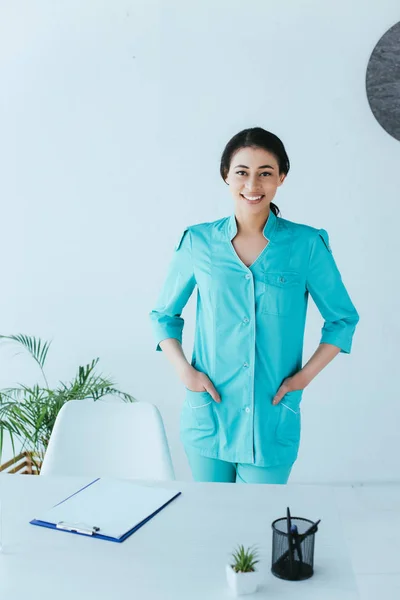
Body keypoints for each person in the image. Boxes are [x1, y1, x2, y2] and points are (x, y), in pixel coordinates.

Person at [149, 127, 359, 484]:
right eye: (242, 173)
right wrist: (186, 372)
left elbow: (342, 319)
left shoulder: (306, 245)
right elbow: (164, 316)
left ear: (281, 177)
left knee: (257, 532)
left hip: (271, 420)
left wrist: (303, 379)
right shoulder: (197, 242)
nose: (252, 185)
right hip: (209, 418)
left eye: (265, 173)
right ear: (226, 176)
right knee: (211, 526)